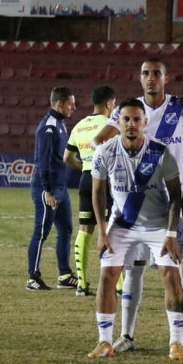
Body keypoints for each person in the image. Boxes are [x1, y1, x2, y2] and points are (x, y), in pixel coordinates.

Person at [92, 57, 183, 354]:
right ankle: (125, 336)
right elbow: (98, 142)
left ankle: (180, 339)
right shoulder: (127, 110)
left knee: (174, 272)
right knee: (133, 271)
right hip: (128, 206)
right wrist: (109, 161)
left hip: (166, 204)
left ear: (166, 78)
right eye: (145, 73)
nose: (151, 78)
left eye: (156, 73)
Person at [87, 99, 183, 360]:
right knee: (107, 275)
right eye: (126, 119)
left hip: (158, 224)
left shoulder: (160, 152)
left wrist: (171, 234)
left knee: (170, 275)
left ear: (145, 122)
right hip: (123, 224)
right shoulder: (105, 151)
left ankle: (177, 341)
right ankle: (104, 341)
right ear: (118, 122)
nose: (131, 124)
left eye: (136, 119)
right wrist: (102, 231)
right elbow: (98, 193)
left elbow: (176, 195)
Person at [64, 85, 117, 297]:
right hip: (105, 181)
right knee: (111, 229)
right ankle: (119, 285)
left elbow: (67, 157)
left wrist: (85, 167)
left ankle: (81, 283)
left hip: (86, 179)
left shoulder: (79, 126)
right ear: (109, 103)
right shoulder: (109, 125)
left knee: (84, 229)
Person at [26, 87, 77, 291]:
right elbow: (43, 162)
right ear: (59, 104)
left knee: (66, 230)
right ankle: (32, 277)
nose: (73, 107)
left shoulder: (60, 124)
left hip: (60, 187)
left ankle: (64, 275)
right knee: (41, 232)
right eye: (70, 104)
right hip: (48, 189)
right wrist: (47, 190)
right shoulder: (48, 127)